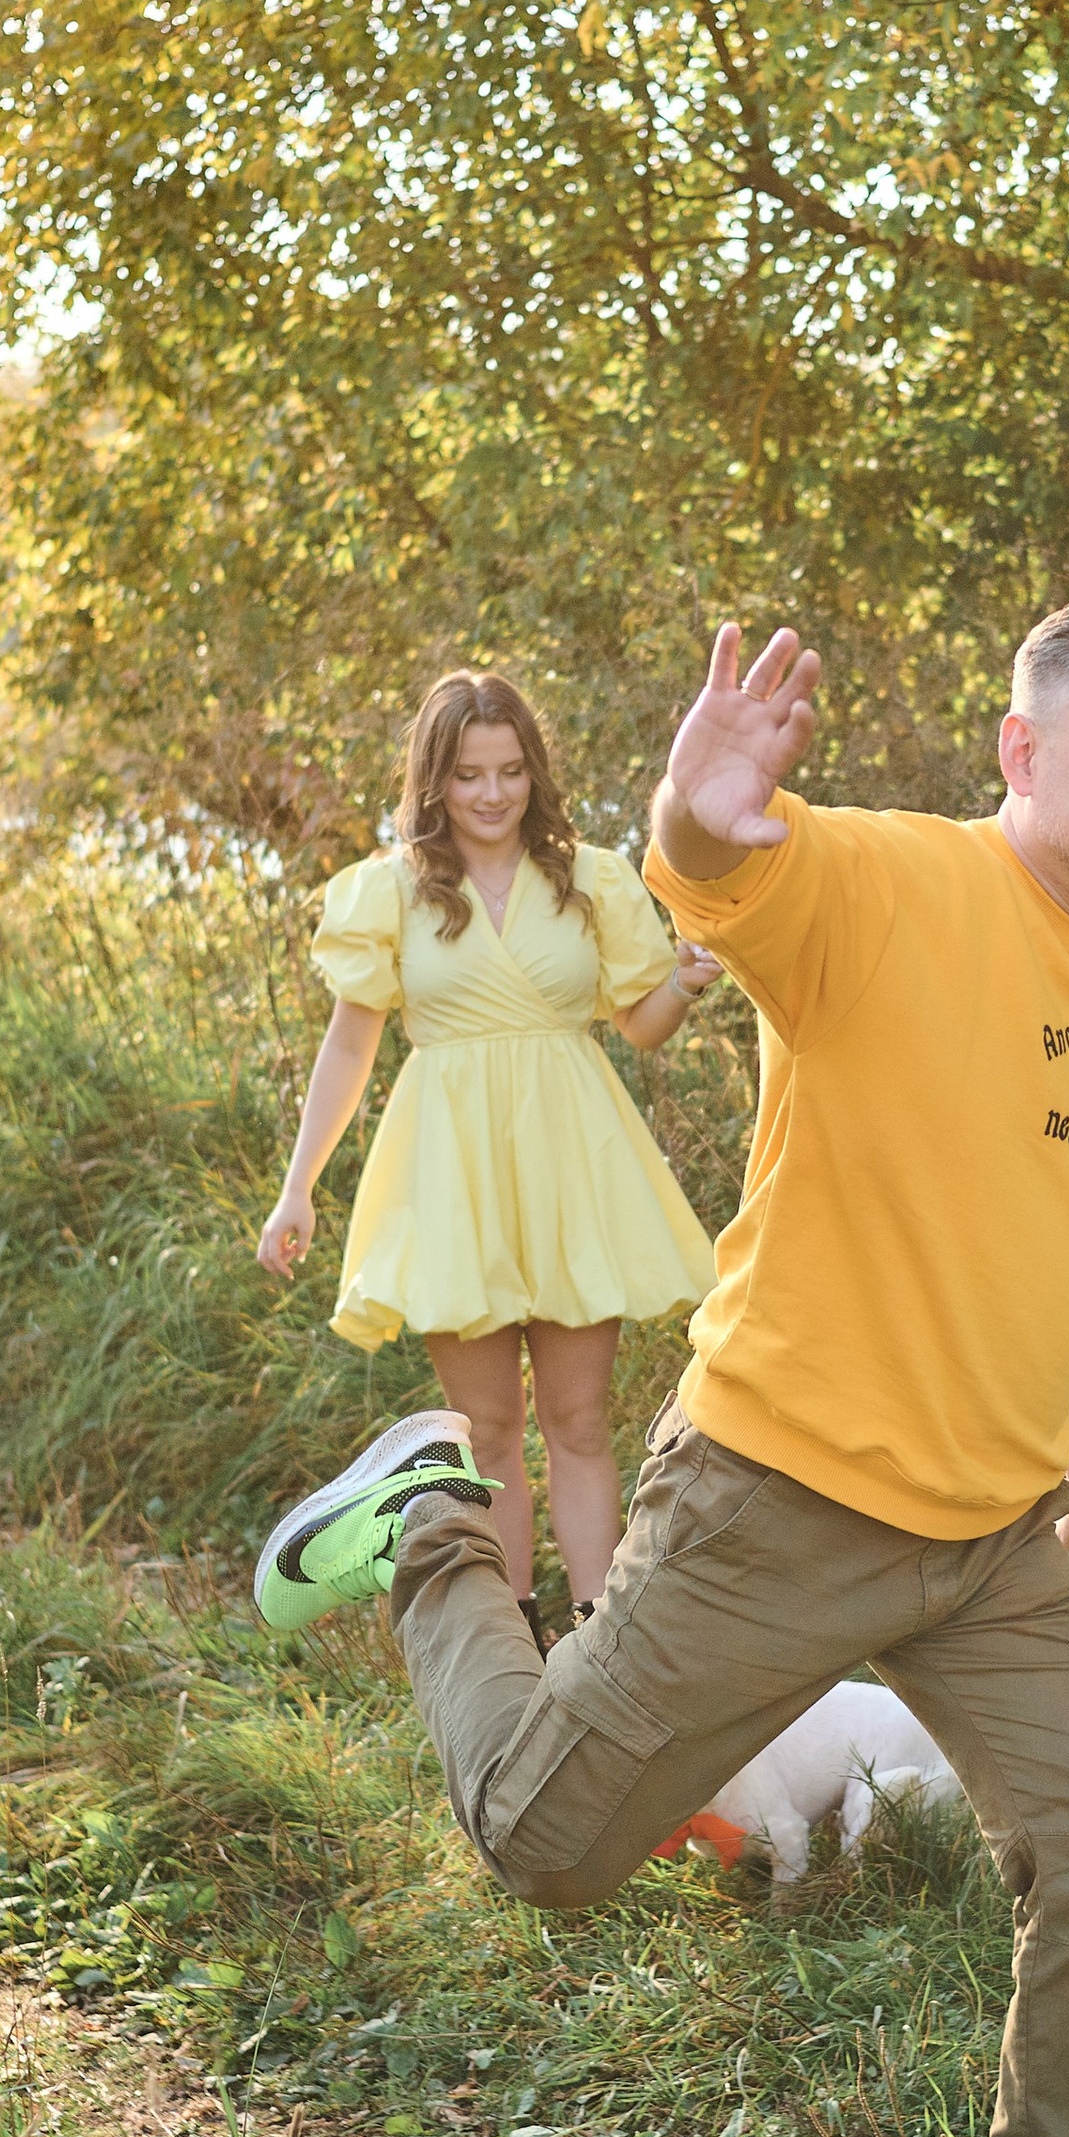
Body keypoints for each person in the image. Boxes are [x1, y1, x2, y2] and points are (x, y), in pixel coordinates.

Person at [256, 596, 1069, 2137]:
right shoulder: (887, 887)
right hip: (777, 1497)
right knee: (545, 1847)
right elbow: (718, 868)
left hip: (993, 1545)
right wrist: (697, 807)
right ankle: (435, 1527)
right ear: (1025, 752)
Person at [255, 665, 721, 1637]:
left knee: (580, 1421)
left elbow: (640, 1022)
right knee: (492, 1430)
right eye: (470, 773)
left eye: (510, 769)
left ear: (533, 770)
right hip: (450, 1169)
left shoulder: (588, 877)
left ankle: (593, 1637)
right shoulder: (390, 890)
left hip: (571, 1162)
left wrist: (684, 981)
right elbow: (351, 1044)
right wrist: (298, 1187)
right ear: (436, 779)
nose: (493, 792)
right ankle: (512, 1638)